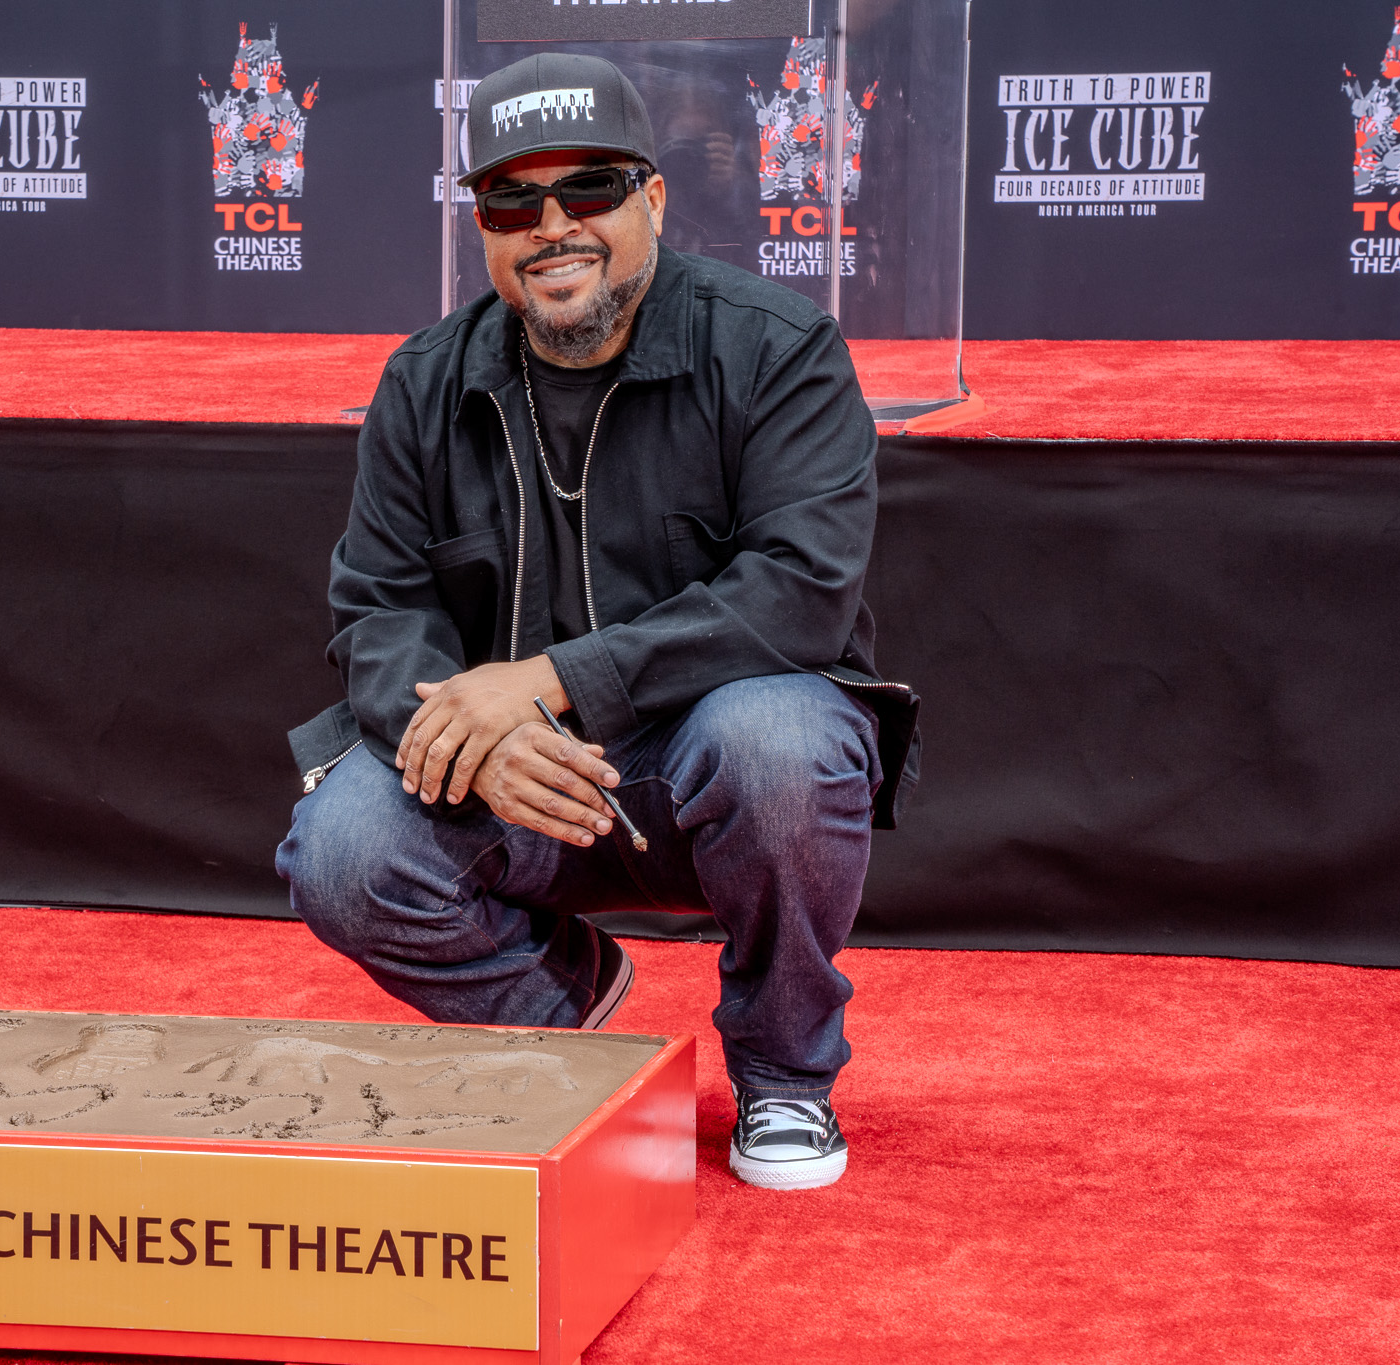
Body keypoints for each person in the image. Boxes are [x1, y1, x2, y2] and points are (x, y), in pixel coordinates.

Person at [276, 53, 918, 1191]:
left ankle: (783, 1075)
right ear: (482, 226)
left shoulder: (774, 348)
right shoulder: (424, 382)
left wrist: (548, 680)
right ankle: (562, 1018)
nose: (552, 227)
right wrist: (475, 740)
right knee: (339, 849)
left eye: (589, 189)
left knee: (780, 739)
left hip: (703, 761)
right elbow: (377, 606)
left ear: (652, 199)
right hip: (518, 779)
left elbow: (800, 590)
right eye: (511, 202)